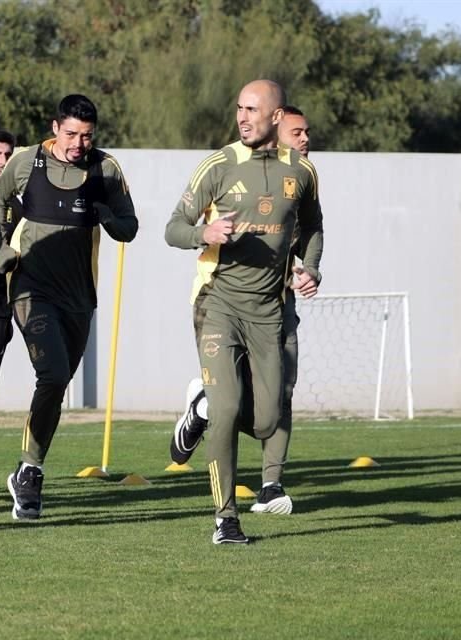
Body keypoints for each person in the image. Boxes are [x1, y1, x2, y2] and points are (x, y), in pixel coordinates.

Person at [164, 81, 323, 544]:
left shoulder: (303, 171)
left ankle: (201, 405)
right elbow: (173, 228)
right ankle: (225, 518)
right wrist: (205, 233)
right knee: (228, 408)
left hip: (269, 311)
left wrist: (310, 267)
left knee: (268, 419)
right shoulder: (218, 165)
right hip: (218, 303)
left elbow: (313, 225)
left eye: (252, 109)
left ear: (276, 116)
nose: (242, 117)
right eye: (239, 108)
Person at [0, 95, 139, 520]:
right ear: (55, 128)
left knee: (55, 387)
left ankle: (27, 467)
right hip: (30, 289)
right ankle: (32, 472)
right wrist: (0, 247)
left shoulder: (106, 169)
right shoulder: (26, 163)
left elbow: (129, 228)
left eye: (88, 136)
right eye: (72, 134)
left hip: (79, 298)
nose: (79, 143)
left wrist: (106, 216)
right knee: (53, 373)